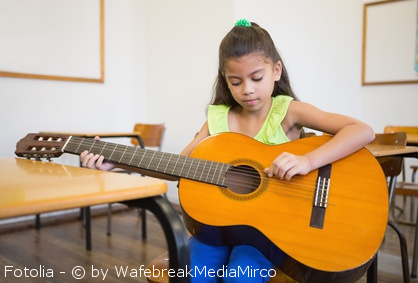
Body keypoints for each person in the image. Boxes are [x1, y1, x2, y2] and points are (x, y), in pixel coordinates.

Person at [81, 19, 375, 283]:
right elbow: (179, 165)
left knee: (239, 277)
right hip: (216, 229)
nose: (247, 89)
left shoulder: (288, 111)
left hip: (268, 233)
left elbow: (362, 130)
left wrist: (308, 160)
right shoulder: (217, 119)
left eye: (256, 78)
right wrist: (119, 164)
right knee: (191, 275)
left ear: (276, 70)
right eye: (236, 81)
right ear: (225, 79)